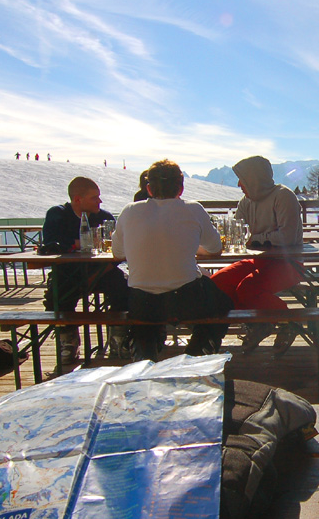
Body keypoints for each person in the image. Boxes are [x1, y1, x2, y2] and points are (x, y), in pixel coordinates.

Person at [112, 159, 233, 361]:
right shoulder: (193, 209)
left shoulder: (129, 211)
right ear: (181, 187)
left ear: (149, 188)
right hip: (186, 299)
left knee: (146, 307)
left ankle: (144, 350)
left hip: (141, 302)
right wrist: (190, 248)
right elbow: (216, 249)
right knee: (223, 304)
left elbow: (118, 254)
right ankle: (195, 354)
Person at [210, 155, 304, 353]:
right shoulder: (246, 202)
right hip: (258, 260)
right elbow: (238, 232)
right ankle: (258, 323)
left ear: (254, 179)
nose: (238, 184)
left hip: (288, 264)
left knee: (247, 288)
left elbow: (287, 237)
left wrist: (255, 238)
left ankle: (289, 321)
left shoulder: (283, 196)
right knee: (217, 283)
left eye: (242, 179)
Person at [40, 176, 129, 364]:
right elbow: (50, 243)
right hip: (68, 271)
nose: (100, 201)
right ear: (78, 199)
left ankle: (118, 337)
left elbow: (119, 248)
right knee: (57, 294)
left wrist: (73, 246)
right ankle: (68, 340)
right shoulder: (58, 214)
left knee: (123, 288)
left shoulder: (104, 217)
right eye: (94, 197)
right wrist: (82, 243)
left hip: (102, 270)